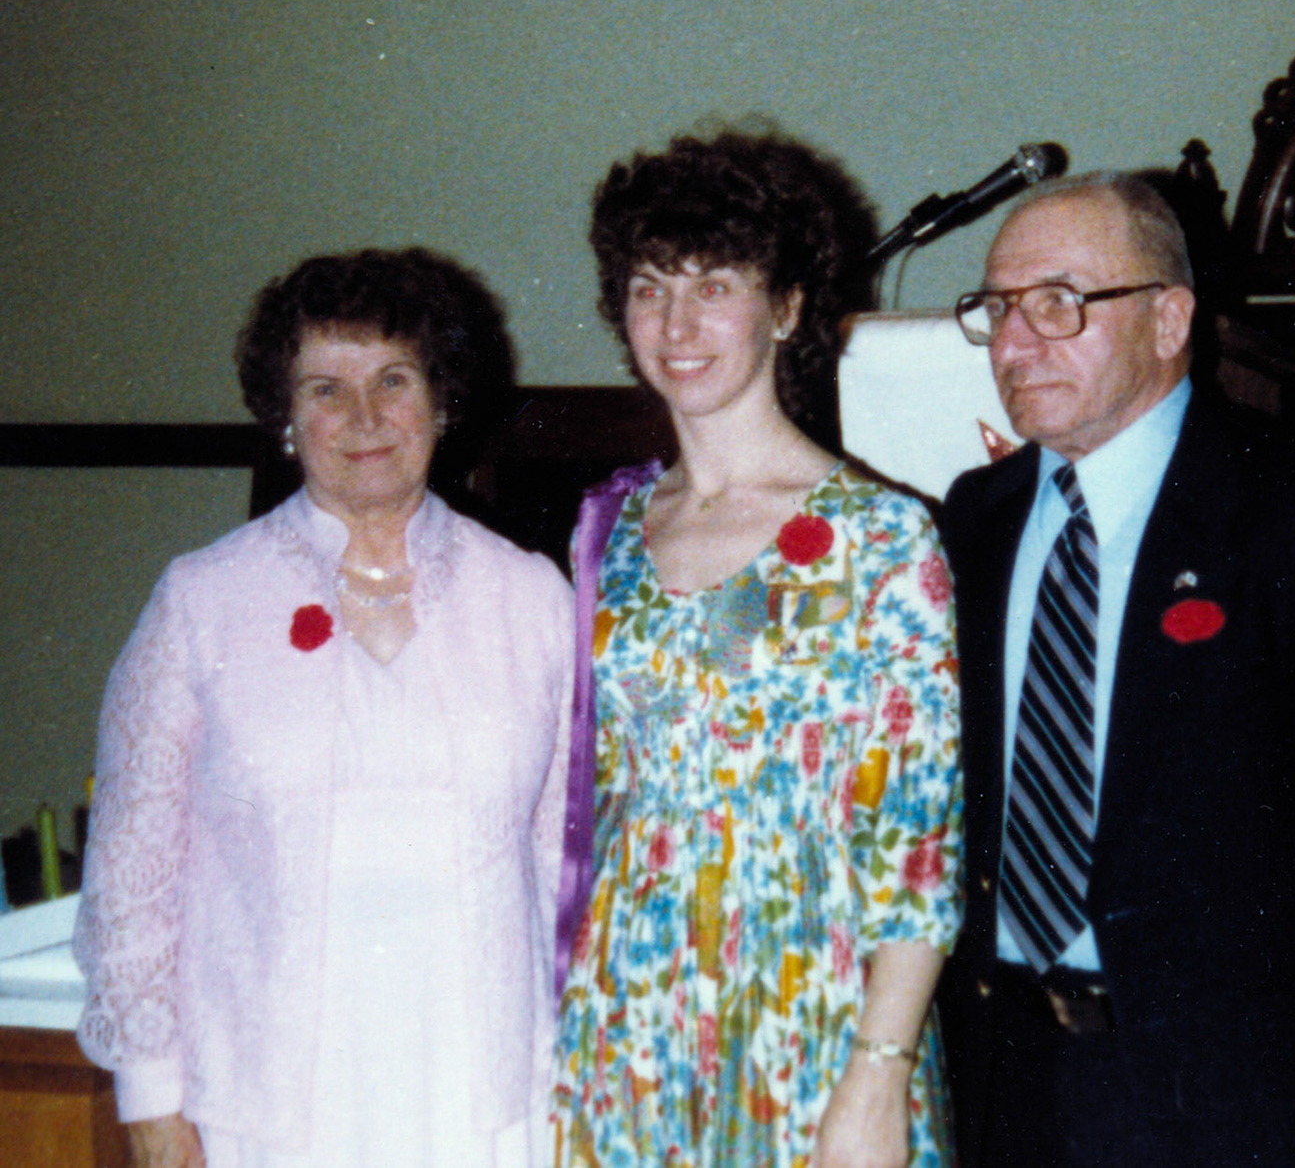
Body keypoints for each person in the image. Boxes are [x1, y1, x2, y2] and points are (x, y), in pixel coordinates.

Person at [936, 172, 1295, 1166]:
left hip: (1232, 1100)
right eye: (997, 310)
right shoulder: (971, 522)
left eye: (1059, 304)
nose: (1017, 344)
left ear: (1169, 319)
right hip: (1003, 1078)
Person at [73, 248, 574, 1168]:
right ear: (285, 418)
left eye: (394, 379)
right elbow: (132, 875)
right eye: (325, 389)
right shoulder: (202, 600)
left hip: (486, 1095)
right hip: (264, 1104)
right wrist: (150, 1095)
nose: (365, 417)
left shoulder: (533, 598)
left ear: (443, 399)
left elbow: (562, 862)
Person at [550, 128, 964, 1168]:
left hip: (811, 1022)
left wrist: (880, 1072)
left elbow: (918, 847)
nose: (678, 323)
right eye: (650, 287)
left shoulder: (882, 539)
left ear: (786, 309)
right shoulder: (608, 532)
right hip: (625, 1023)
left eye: (715, 285)